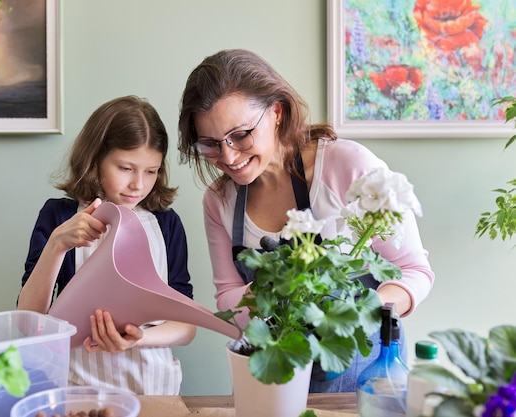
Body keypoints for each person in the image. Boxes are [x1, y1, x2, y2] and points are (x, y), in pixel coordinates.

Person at [177, 49, 434, 392]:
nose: (228, 156)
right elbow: (227, 299)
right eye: (209, 144)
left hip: (367, 375)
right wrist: (278, 292)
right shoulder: (218, 200)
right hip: (272, 376)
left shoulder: (348, 166)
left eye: (240, 135)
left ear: (277, 113)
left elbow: (415, 271)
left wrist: (358, 314)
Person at [17, 95, 196, 395]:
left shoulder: (166, 223)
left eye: (151, 171)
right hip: (76, 387)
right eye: (126, 168)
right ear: (95, 158)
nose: (139, 184)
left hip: (153, 389)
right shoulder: (58, 215)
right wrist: (58, 243)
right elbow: (29, 319)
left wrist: (136, 338)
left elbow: (186, 327)